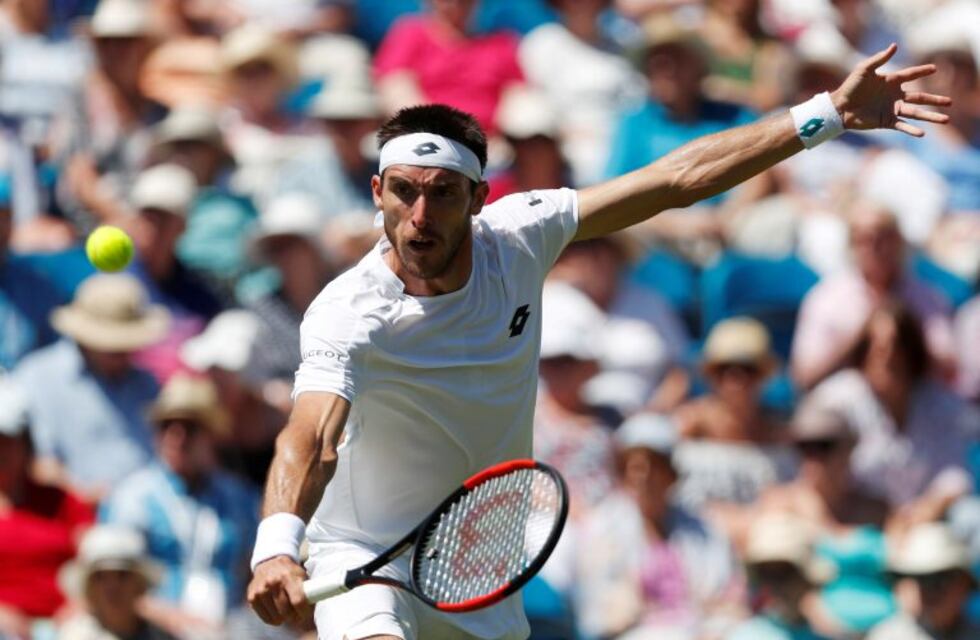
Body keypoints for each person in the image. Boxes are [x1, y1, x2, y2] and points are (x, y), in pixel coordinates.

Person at [246, 42, 952, 640]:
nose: (419, 215)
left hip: (480, 566)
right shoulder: (348, 312)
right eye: (402, 191)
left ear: (480, 198)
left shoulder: (522, 236)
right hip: (365, 556)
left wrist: (824, 115)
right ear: (376, 191)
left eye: (442, 193)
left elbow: (675, 179)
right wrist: (276, 546)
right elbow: (310, 438)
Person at [100, 374, 259, 627]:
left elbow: (254, 571)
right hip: (153, 629)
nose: (176, 436)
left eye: (189, 426)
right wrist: (181, 624)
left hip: (230, 626)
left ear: (211, 435)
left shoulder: (239, 499)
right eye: (167, 425)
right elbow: (115, 584)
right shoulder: (133, 498)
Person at [575, 413, 746, 639]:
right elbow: (601, 613)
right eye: (634, 468)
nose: (643, 478)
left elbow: (724, 598)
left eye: (654, 467)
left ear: (671, 474)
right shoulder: (602, 528)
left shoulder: (703, 530)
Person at [807, 303, 980, 509]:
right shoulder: (835, 400)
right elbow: (815, 477)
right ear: (864, 351)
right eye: (879, 348)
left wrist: (929, 507)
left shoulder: (937, 401)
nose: (889, 357)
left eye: (897, 347)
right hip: (852, 519)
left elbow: (955, 470)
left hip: (924, 520)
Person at [14, 273, 169, 499]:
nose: (123, 351)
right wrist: (84, 499)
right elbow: (39, 466)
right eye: (114, 345)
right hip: (72, 520)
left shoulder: (147, 384)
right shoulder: (37, 378)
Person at [791, 203, 955, 390]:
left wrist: (903, 333)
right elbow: (805, 377)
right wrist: (862, 336)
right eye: (864, 239)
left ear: (899, 241)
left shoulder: (927, 297)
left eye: (883, 236)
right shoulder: (826, 299)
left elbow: (948, 369)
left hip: (913, 397)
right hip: (848, 401)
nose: (874, 247)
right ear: (851, 245)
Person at [0, 376, 95, 638]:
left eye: (8, 440)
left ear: (26, 443)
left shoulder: (63, 501)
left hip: (67, 625)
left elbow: (95, 560)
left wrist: (81, 604)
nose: (1, 451)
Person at [673, 317, 796, 511]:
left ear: (763, 376)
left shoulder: (779, 434)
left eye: (747, 370)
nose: (735, 380)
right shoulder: (688, 426)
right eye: (724, 370)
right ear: (711, 376)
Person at [372, 0, 524, 136]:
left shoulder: (501, 43)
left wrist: (496, 137)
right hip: (425, 137)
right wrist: (436, 130)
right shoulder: (410, 33)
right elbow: (395, 87)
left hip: (492, 143)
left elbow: (516, 93)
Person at [57, 525, 175, 640]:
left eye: (122, 575)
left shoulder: (160, 636)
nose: (112, 587)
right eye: (100, 577)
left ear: (140, 584)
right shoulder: (74, 635)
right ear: (89, 588)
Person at [727, 513, 832, 640]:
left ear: (806, 579)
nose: (776, 584)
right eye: (766, 574)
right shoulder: (746, 634)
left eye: (785, 573)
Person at [867, 522, 980, 640]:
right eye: (922, 579)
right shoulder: (888, 636)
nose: (930, 591)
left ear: (964, 583)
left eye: (941, 578)